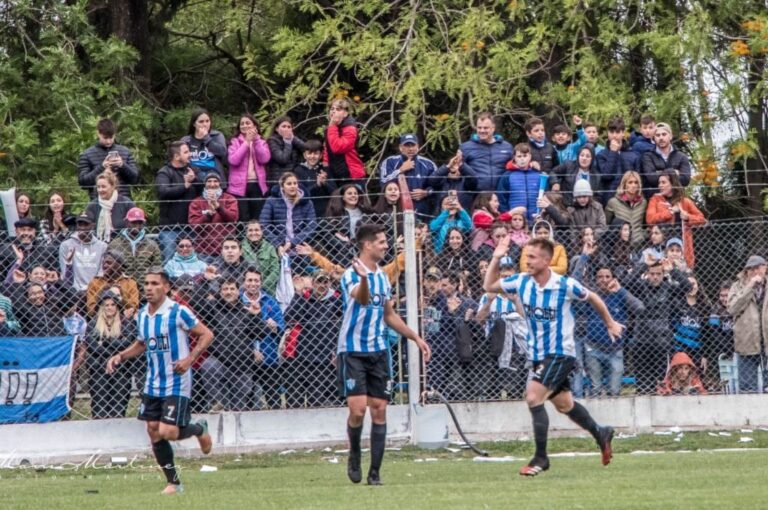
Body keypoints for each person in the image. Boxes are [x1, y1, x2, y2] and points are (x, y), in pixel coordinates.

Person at [483, 236, 622, 476]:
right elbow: (489, 286)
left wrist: (610, 323)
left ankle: (540, 458)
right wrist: (496, 257)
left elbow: (594, 298)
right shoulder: (521, 282)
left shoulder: (564, 284)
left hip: (560, 353)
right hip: (538, 355)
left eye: (532, 257)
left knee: (533, 397)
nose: (527, 260)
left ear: (547, 261)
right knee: (564, 404)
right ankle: (601, 432)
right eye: (526, 256)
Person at [106, 268, 214, 495]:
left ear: (166, 288)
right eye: (146, 283)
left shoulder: (178, 312)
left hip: (176, 381)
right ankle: (173, 482)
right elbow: (143, 344)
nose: (148, 288)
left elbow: (206, 334)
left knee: (169, 431)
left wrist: (189, 359)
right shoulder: (143, 314)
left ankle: (198, 428)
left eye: (155, 283)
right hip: (153, 382)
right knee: (153, 431)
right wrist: (121, 355)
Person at [339, 223, 431, 486]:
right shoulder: (351, 274)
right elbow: (362, 299)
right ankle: (355, 454)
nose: (385, 245)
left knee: (379, 409)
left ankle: (375, 472)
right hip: (353, 350)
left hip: (378, 351)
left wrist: (414, 337)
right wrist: (364, 279)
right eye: (381, 242)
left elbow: (387, 313)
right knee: (357, 411)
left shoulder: (381, 276)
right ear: (367, 245)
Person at [197, 277, 268, 411]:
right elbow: (196, 301)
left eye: (232, 289)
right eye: (225, 289)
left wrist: (256, 315)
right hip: (219, 361)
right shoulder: (212, 309)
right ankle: (216, 403)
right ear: (220, 292)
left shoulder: (246, 311)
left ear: (238, 292)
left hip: (242, 365)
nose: (228, 292)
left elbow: (261, 334)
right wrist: (204, 281)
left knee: (239, 407)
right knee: (208, 366)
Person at [582, 265, 645, 397]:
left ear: (613, 279)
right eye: (600, 277)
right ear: (595, 280)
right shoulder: (591, 297)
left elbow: (640, 308)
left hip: (615, 350)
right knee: (596, 389)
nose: (604, 280)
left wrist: (620, 290)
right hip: (593, 348)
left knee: (615, 391)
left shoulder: (620, 295)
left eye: (607, 276)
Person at [85, 290, 137, 418]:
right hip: (99, 368)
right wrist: (114, 345)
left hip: (121, 368)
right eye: (106, 305)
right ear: (102, 307)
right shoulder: (93, 323)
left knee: (119, 404)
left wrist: (105, 342)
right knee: (99, 404)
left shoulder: (126, 322)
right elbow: (92, 346)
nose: (109, 307)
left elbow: (127, 343)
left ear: (117, 306)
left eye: (113, 304)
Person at [645, 170, 705, 269]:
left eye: (663, 182)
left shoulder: (685, 201)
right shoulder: (655, 200)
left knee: (683, 276)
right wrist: (670, 212)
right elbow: (650, 219)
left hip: (683, 247)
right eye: (659, 183)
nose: (660, 185)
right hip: (662, 247)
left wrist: (688, 217)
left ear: (672, 183)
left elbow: (702, 219)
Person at [727, 255, 768, 393]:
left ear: (765, 267)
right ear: (746, 271)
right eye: (751, 269)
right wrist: (750, 286)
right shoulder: (737, 286)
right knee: (748, 390)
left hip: (767, 341)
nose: (755, 272)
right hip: (747, 343)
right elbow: (732, 308)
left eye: (759, 268)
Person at [156, 141, 200, 261]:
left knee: (195, 260)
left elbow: (204, 189)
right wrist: (184, 186)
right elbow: (163, 192)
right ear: (176, 156)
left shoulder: (192, 170)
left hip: (192, 227)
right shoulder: (164, 172)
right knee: (169, 259)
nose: (190, 154)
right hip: (170, 228)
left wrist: (195, 179)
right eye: (186, 152)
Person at [77, 118, 139, 199]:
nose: (109, 141)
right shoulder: (86, 154)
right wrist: (102, 167)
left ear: (115, 135)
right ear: (98, 133)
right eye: (105, 138)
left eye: (111, 137)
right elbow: (83, 183)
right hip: (98, 204)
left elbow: (135, 179)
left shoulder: (125, 151)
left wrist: (122, 165)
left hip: (123, 202)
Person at [259, 172, 317, 255]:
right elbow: (263, 224)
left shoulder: (307, 203)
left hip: (300, 246)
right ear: (282, 186)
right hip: (277, 246)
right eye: (289, 184)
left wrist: (292, 243)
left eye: (295, 183)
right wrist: (277, 245)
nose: (293, 186)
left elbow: (311, 225)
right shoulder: (271, 201)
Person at [378, 134, 437, 215]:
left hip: (422, 210)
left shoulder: (429, 164)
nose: (410, 149)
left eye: (413, 145)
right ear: (400, 147)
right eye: (407, 145)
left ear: (418, 147)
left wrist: (426, 192)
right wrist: (400, 170)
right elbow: (383, 182)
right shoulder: (389, 162)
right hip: (395, 211)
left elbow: (439, 186)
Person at [227, 113, 271, 221]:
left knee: (257, 216)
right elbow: (233, 160)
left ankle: (257, 237)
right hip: (238, 186)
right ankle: (242, 238)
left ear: (254, 126)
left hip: (257, 184)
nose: (244, 125)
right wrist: (246, 142)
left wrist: (255, 141)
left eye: (248, 123)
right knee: (243, 217)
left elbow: (265, 159)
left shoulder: (261, 142)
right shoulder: (234, 141)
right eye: (242, 124)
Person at [188, 172, 239, 261]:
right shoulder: (196, 202)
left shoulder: (230, 199)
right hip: (203, 251)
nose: (212, 184)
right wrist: (208, 215)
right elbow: (194, 225)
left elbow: (233, 218)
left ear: (220, 183)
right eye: (209, 181)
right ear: (205, 184)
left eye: (215, 181)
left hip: (226, 250)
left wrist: (218, 207)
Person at [459, 112, 513, 190]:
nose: (482, 130)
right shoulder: (465, 147)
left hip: (500, 194)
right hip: (475, 195)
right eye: (479, 127)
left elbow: (515, 166)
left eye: (486, 128)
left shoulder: (507, 147)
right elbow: (458, 171)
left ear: (493, 128)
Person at [108, 207, 163, 281]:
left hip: (145, 287)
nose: (137, 225)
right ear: (127, 222)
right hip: (122, 287)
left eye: (140, 222)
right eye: (133, 222)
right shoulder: (115, 244)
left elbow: (157, 267)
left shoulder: (152, 245)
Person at [324, 183, 373, 265]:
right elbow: (328, 234)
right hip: (344, 253)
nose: (353, 196)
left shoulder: (365, 212)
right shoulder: (337, 214)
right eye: (349, 193)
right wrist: (342, 243)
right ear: (343, 197)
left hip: (364, 249)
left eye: (355, 193)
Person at [640, 122, 691, 197]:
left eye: (664, 134)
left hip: (677, 199)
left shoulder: (681, 156)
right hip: (655, 199)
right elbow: (651, 179)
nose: (661, 138)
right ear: (654, 138)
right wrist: (674, 173)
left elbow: (685, 180)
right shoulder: (647, 156)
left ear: (670, 136)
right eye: (657, 135)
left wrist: (659, 172)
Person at [85, 171, 136, 242]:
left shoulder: (126, 203)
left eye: (103, 187)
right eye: (98, 187)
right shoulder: (92, 205)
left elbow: (136, 225)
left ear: (113, 186)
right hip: (98, 245)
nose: (100, 190)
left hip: (123, 245)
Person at [86, 250, 139, 316]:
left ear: (119, 265)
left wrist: (121, 296)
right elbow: (91, 311)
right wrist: (102, 292)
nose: (105, 266)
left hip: (123, 320)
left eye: (109, 263)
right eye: (103, 263)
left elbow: (134, 308)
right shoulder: (95, 282)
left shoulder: (130, 283)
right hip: (100, 320)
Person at [324, 99, 365, 185]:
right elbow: (328, 148)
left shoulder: (350, 129)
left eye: (338, 109)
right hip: (336, 174)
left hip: (351, 175)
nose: (334, 111)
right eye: (332, 109)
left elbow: (337, 148)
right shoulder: (333, 127)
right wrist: (326, 166)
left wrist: (332, 126)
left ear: (345, 113)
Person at [497, 143, 541, 222]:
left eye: (525, 156)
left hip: (536, 219)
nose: (522, 159)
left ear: (530, 157)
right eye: (519, 156)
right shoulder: (507, 175)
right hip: (515, 220)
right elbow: (502, 198)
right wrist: (507, 215)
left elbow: (544, 195)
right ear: (514, 158)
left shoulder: (538, 174)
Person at [182, 108, 228, 182]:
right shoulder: (186, 140)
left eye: (207, 121)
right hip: (194, 182)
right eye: (201, 121)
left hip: (215, 181)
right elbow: (180, 160)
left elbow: (223, 153)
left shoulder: (217, 136)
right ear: (194, 124)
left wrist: (207, 139)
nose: (205, 124)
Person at [293, 139, 335, 218]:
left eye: (316, 153)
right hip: (306, 212)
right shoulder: (298, 170)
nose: (312, 156)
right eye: (309, 153)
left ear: (321, 155)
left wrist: (324, 183)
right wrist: (317, 185)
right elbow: (300, 194)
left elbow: (334, 192)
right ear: (304, 155)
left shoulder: (326, 169)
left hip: (326, 212)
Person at [604, 171, 647, 246]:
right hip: (619, 246)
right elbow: (606, 224)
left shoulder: (643, 203)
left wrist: (642, 235)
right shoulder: (613, 202)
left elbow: (645, 224)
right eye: (630, 182)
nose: (633, 185)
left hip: (639, 245)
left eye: (636, 182)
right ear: (624, 185)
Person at [241, 220, 280, 295]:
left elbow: (275, 270)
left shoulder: (270, 248)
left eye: (257, 230)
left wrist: (262, 285)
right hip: (245, 290)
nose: (254, 233)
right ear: (246, 233)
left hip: (268, 290)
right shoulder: (241, 248)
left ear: (262, 232)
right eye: (250, 230)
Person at [267, 116, 307, 184]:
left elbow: (306, 148)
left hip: (293, 178)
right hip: (278, 180)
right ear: (277, 129)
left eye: (289, 127)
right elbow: (282, 159)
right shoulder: (272, 141)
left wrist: (293, 138)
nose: (286, 129)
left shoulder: (293, 139)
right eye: (284, 126)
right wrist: (287, 142)